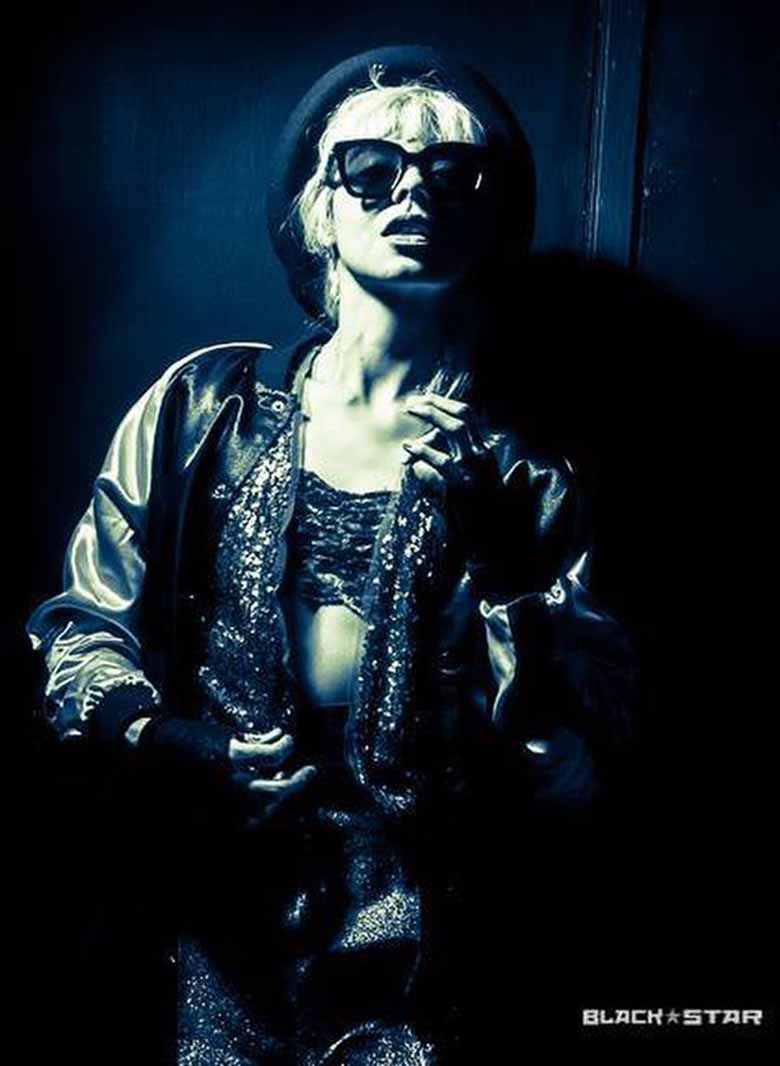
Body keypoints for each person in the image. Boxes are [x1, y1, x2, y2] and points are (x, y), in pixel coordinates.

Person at [28, 46, 636, 1066]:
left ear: (489, 216)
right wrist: (170, 741)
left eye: (452, 174)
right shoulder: (201, 409)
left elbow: (575, 767)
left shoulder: (527, 473)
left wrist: (510, 578)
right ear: (319, 206)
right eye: (372, 168)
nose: (413, 192)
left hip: (424, 941)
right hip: (207, 908)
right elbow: (83, 629)